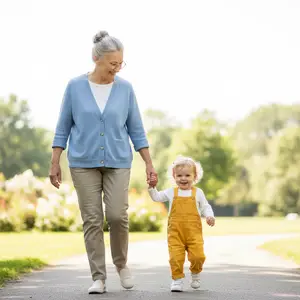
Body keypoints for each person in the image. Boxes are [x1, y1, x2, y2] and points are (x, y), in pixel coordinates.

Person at [49, 30, 157, 294]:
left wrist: (150, 164)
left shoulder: (125, 89)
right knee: (92, 219)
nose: (117, 69)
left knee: (118, 216)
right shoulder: (75, 86)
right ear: (95, 59)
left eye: (121, 63)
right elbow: (63, 126)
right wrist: (55, 162)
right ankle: (98, 277)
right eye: (112, 64)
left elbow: (137, 129)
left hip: (119, 160)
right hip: (82, 162)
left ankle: (121, 265)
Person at [148, 155, 215, 292]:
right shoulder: (171, 192)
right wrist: (151, 187)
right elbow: (156, 197)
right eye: (179, 176)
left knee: (198, 256)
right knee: (175, 258)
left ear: (195, 176)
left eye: (187, 175)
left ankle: (195, 274)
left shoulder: (198, 193)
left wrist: (209, 216)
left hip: (193, 234)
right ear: (174, 176)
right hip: (175, 234)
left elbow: (205, 207)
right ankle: (176, 280)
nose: (183, 178)